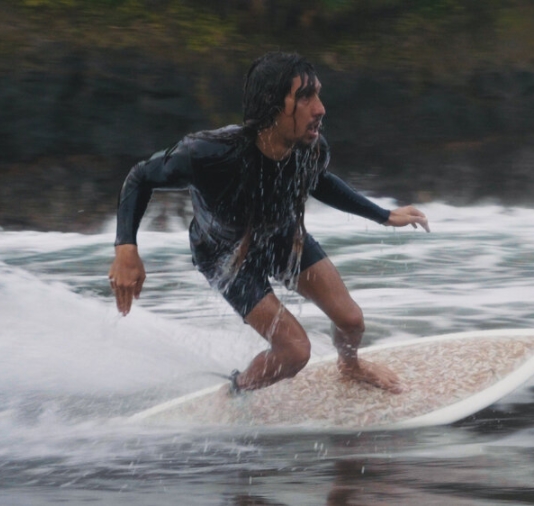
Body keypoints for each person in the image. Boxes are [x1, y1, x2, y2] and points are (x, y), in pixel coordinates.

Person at [109, 52, 428, 394]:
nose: (319, 108)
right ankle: (240, 389)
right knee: (295, 352)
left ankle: (350, 367)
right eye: (305, 97)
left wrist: (384, 215)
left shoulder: (310, 148)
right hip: (226, 257)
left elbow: (319, 181)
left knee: (351, 321)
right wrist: (126, 249)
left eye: (317, 94)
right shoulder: (208, 154)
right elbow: (140, 177)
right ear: (271, 105)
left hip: (282, 238)